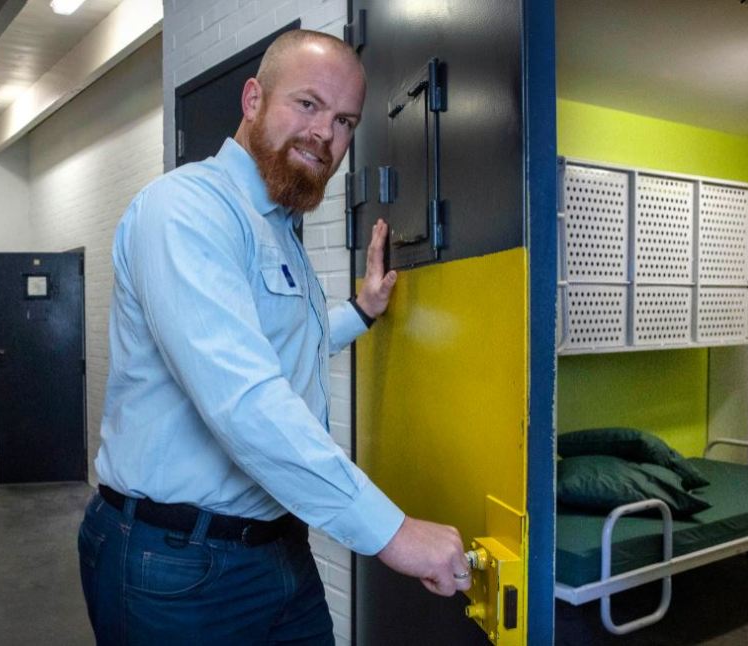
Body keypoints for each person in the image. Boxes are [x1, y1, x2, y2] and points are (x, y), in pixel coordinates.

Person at [78, 29, 471, 645]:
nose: (325, 134)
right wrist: (391, 532)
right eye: (308, 104)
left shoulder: (280, 228)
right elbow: (243, 399)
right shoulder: (185, 210)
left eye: (344, 121)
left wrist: (362, 312)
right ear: (253, 98)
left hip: (276, 548)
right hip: (173, 562)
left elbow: (285, 345)